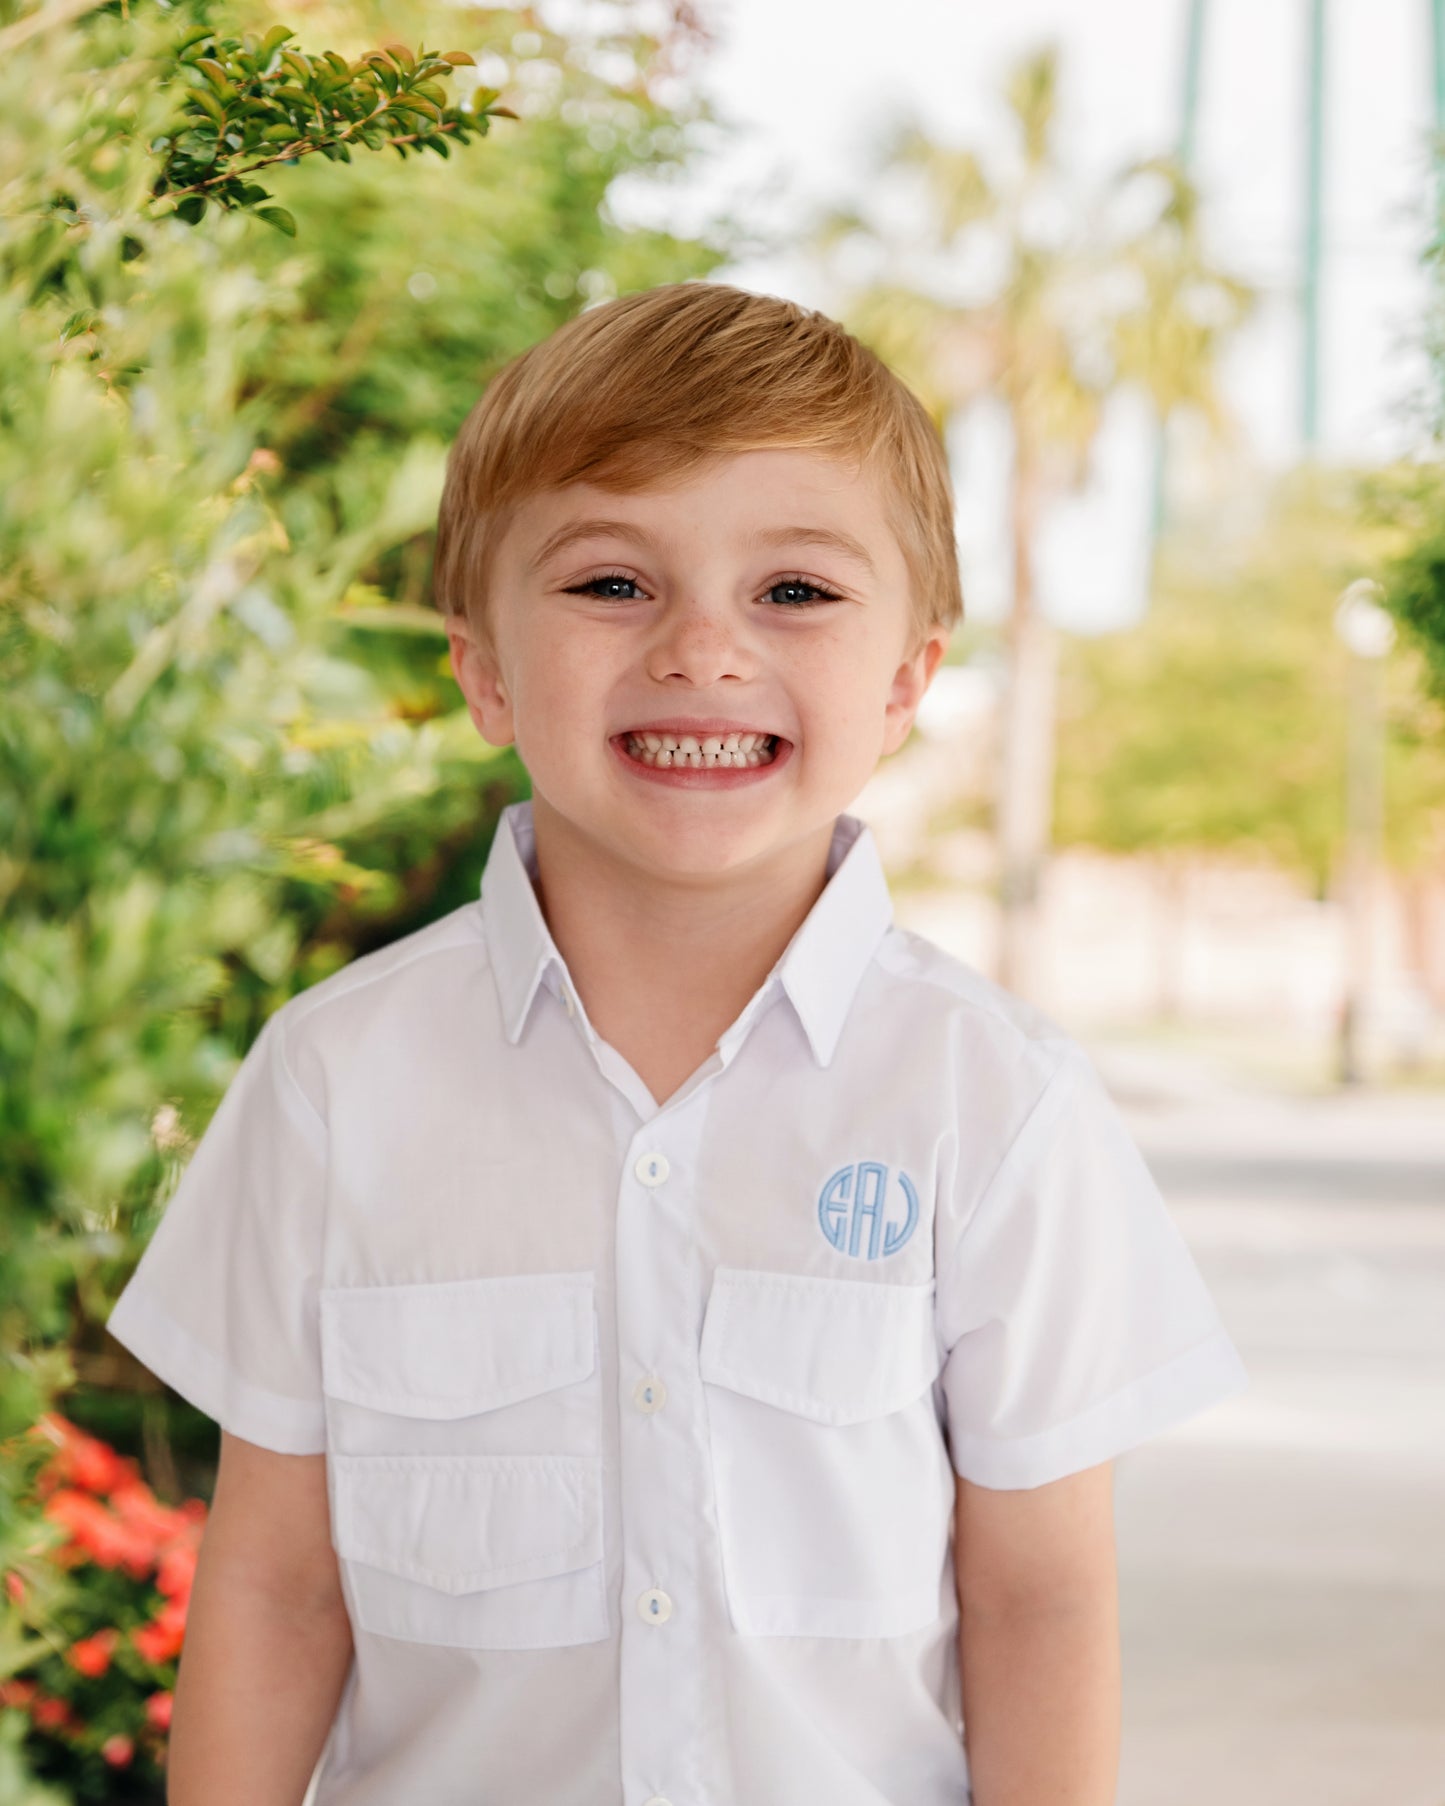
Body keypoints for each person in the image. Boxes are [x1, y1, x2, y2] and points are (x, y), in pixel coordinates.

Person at [106, 281, 1248, 1806]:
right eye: (609, 585)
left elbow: (1037, 1598)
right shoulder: (332, 1084)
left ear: (908, 675)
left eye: (794, 591)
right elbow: (275, 1590)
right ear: (483, 668)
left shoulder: (993, 1099)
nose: (703, 650)